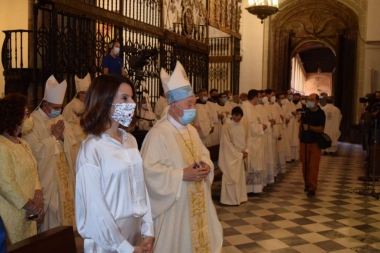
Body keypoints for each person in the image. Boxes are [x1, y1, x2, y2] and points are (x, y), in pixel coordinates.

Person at [140, 61, 223, 252]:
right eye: (189, 103)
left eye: (194, 102)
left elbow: (204, 153)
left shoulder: (191, 131)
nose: (194, 107)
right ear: (174, 106)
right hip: (174, 210)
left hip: (197, 202)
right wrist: (181, 175)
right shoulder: (158, 134)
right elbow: (148, 171)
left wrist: (207, 165)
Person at [76, 75, 154, 253]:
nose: (132, 103)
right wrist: (125, 248)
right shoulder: (92, 148)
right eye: (125, 98)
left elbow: (141, 188)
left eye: (132, 97)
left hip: (135, 234)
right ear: (104, 102)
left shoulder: (131, 141)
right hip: (107, 239)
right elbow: (95, 207)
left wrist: (148, 228)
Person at [22, 75, 77, 232]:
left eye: (60, 107)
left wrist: (62, 138)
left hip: (64, 179)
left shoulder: (60, 118)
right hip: (48, 181)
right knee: (51, 222)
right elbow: (33, 151)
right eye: (55, 107)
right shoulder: (32, 121)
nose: (58, 111)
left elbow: (73, 141)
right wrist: (53, 138)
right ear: (45, 104)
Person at [0, 93, 43, 244]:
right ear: (14, 117)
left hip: (29, 215)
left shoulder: (23, 143)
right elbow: (6, 185)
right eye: (26, 114)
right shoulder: (2, 146)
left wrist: (38, 199)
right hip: (11, 214)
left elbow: (34, 172)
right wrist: (31, 206)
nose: (29, 118)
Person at [219, 106, 250, 205]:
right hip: (231, 156)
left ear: (242, 116)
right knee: (230, 177)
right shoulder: (226, 126)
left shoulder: (245, 123)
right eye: (235, 118)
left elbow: (249, 137)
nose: (237, 120)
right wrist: (238, 154)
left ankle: (240, 197)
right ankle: (229, 200)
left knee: (240, 177)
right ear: (232, 116)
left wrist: (246, 150)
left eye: (239, 118)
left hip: (241, 154)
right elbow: (227, 144)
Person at [299, 93, 326, 197]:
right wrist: (300, 134)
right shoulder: (305, 112)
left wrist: (309, 127)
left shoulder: (321, 113)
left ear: (317, 101)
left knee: (314, 166)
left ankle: (312, 188)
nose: (309, 101)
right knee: (304, 164)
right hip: (303, 141)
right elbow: (301, 124)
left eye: (312, 99)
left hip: (315, 142)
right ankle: (307, 183)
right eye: (308, 99)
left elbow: (321, 129)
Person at [241, 90, 266, 194]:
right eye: (258, 97)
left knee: (255, 164)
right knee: (252, 164)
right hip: (252, 141)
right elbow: (251, 127)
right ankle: (250, 189)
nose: (259, 99)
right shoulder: (247, 108)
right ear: (255, 97)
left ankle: (255, 188)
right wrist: (263, 127)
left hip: (256, 140)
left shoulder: (252, 108)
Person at [63, 73, 91, 146]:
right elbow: (70, 128)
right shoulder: (71, 107)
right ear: (80, 94)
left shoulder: (88, 105)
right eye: (87, 94)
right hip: (77, 144)